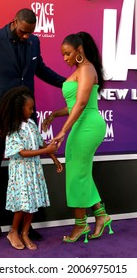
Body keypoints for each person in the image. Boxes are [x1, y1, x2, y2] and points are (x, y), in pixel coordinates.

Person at [0, 8, 66, 246]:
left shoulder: (34, 42)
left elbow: (40, 69)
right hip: (0, 118)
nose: (27, 36)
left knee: (30, 168)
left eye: (30, 33)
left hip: (26, 118)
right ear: (14, 22)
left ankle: (26, 224)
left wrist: (67, 83)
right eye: (24, 32)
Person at [42, 32, 114, 243]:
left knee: (77, 175)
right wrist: (55, 114)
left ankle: (80, 226)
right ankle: (101, 215)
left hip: (88, 125)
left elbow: (82, 105)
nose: (65, 58)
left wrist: (63, 131)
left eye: (67, 54)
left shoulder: (86, 69)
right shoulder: (81, 70)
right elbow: (75, 105)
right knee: (80, 172)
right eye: (63, 55)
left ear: (79, 51)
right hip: (82, 124)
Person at [0, 86, 63, 250]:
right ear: (19, 109)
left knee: (32, 203)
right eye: (30, 108)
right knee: (22, 204)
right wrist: (46, 151)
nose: (33, 111)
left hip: (34, 171)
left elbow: (41, 142)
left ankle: (25, 233)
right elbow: (22, 152)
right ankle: (13, 231)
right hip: (20, 171)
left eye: (33, 108)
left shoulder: (32, 124)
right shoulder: (13, 129)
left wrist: (54, 158)